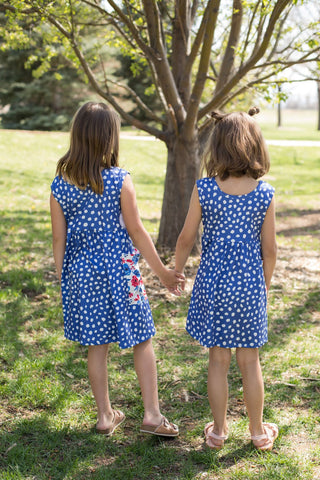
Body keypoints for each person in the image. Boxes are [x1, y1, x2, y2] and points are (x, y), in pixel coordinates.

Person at [50, 102, 183, 437]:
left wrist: (65, 280)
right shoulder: (119, 180)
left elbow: (58, 239)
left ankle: (105, 416)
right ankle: (152, 415)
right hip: (122, 272)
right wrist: (164, 273)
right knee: (142, 339)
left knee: (97, 345)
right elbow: (137, 232)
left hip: (82, 273)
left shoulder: (59, 185)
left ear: (77, 136)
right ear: (110, 137)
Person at [175, 107, 278, 451]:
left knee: (218, 360)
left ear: (217, 146)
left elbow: (186, 238)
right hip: (249, 286)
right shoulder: (264, 193)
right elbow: (270, 250)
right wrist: (263, 286)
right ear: (256, 147)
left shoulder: (205, 189)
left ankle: (218, 432)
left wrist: (176, 269)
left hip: (215, 287)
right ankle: (258, 433)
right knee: (250, 362)